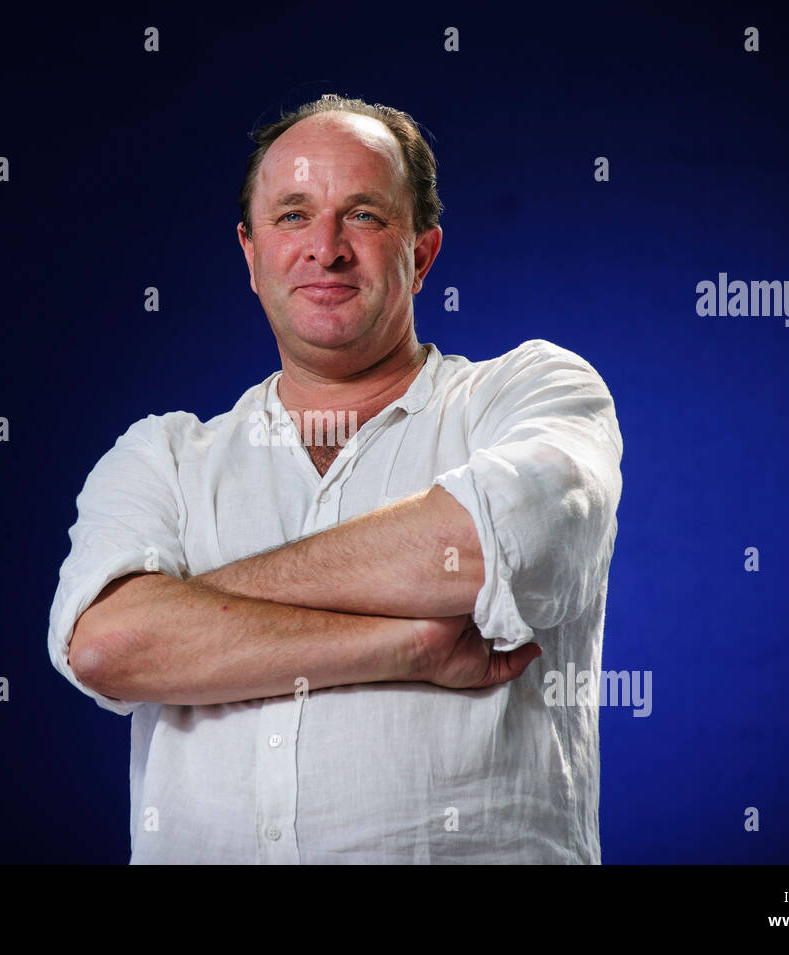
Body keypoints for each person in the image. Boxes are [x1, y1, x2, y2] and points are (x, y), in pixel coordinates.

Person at [47, 93, 624, 863]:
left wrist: (196, 605)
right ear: (251, 257)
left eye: (363, 215)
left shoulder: (532, 394)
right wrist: (406, 647)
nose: (326, 248)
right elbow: (109, 645)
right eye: (292, 216)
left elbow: (484, 548)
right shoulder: (163, 457)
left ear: (421, 254)